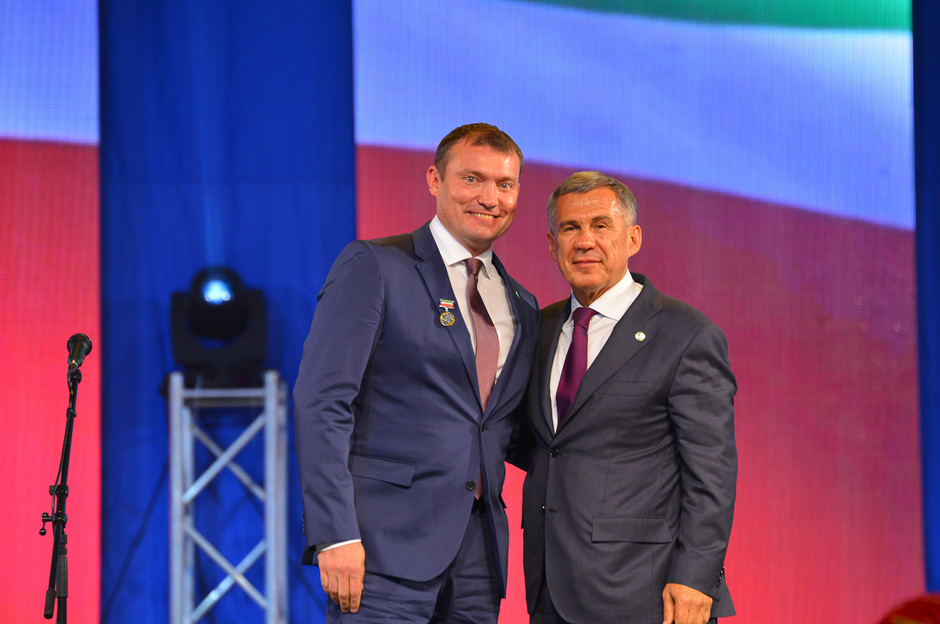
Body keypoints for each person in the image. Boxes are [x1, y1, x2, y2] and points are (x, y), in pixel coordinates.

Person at [293, 123, 539, 623]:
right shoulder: (376, 266)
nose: (489, 198)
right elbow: (322, 401)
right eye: (472, 179)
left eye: (505, 184)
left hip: (479, 560)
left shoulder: (523, 304)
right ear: (434, 179)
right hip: (380, 551)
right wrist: (334, 532)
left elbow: (500, 428)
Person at [521, 171, 737, 624]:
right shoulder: (538, 330)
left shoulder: (686, 335)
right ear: (552, 244)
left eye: (601, 225)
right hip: (550, 590)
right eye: (570, 228)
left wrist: (697, 577)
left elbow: (711, 474)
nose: (585, 241)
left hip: (647, 592)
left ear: (633, 238)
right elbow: (543, 447)